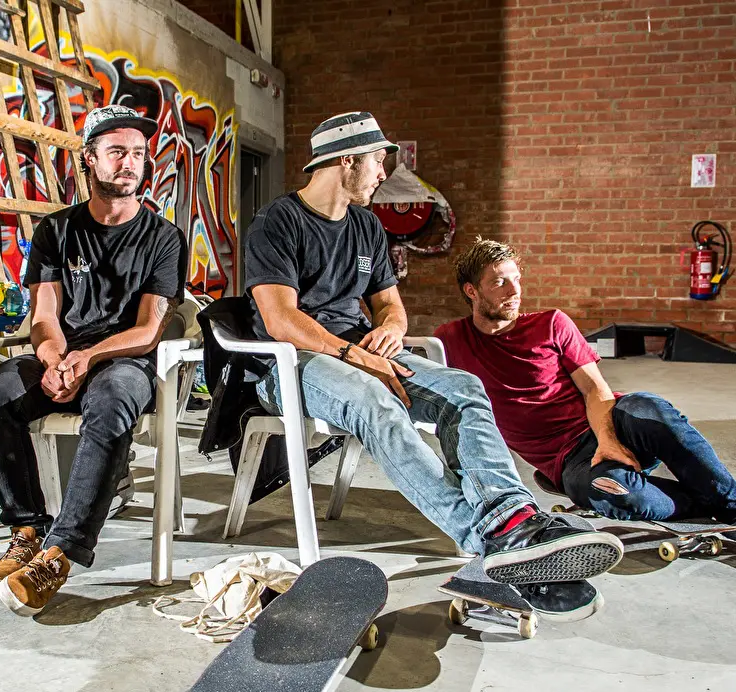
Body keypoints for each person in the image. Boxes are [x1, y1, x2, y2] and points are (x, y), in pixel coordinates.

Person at [243, 111, 624, 620]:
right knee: (375, 401)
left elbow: (389, 305)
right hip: (293, 362)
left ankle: (512, 517)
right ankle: (489, 537)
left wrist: (392, 331)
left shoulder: (365, 226)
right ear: (347, 160)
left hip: (359, 351)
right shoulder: (277, 222)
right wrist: (358, 358)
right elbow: (279, 318)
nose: (383, 173)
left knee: (463, 387)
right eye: (378, 161)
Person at [0, 105, 188, 617]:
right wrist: (52, 359)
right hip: (64, 356)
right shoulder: (56, 232)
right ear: (89, 160)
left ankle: (60, 553)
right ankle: (27, 530)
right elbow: (44, 317)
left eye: (137, 153)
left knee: (110, 403)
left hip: (125, 361)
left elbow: (148, 329)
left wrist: (84, 358)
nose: (130, 163)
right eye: (116, 152)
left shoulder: (163, 238)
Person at [435, 237, 736, 524]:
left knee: (650, 408)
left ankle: (730, 503)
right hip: (568, 461)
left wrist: (608, 441)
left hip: (611, 422)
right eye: (500, 283)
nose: (514, 291)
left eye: (517, 279)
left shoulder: (552, 323)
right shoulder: (450, 340)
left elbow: (594, 388)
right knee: (614, 492)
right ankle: (701, 504)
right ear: (472, 291)